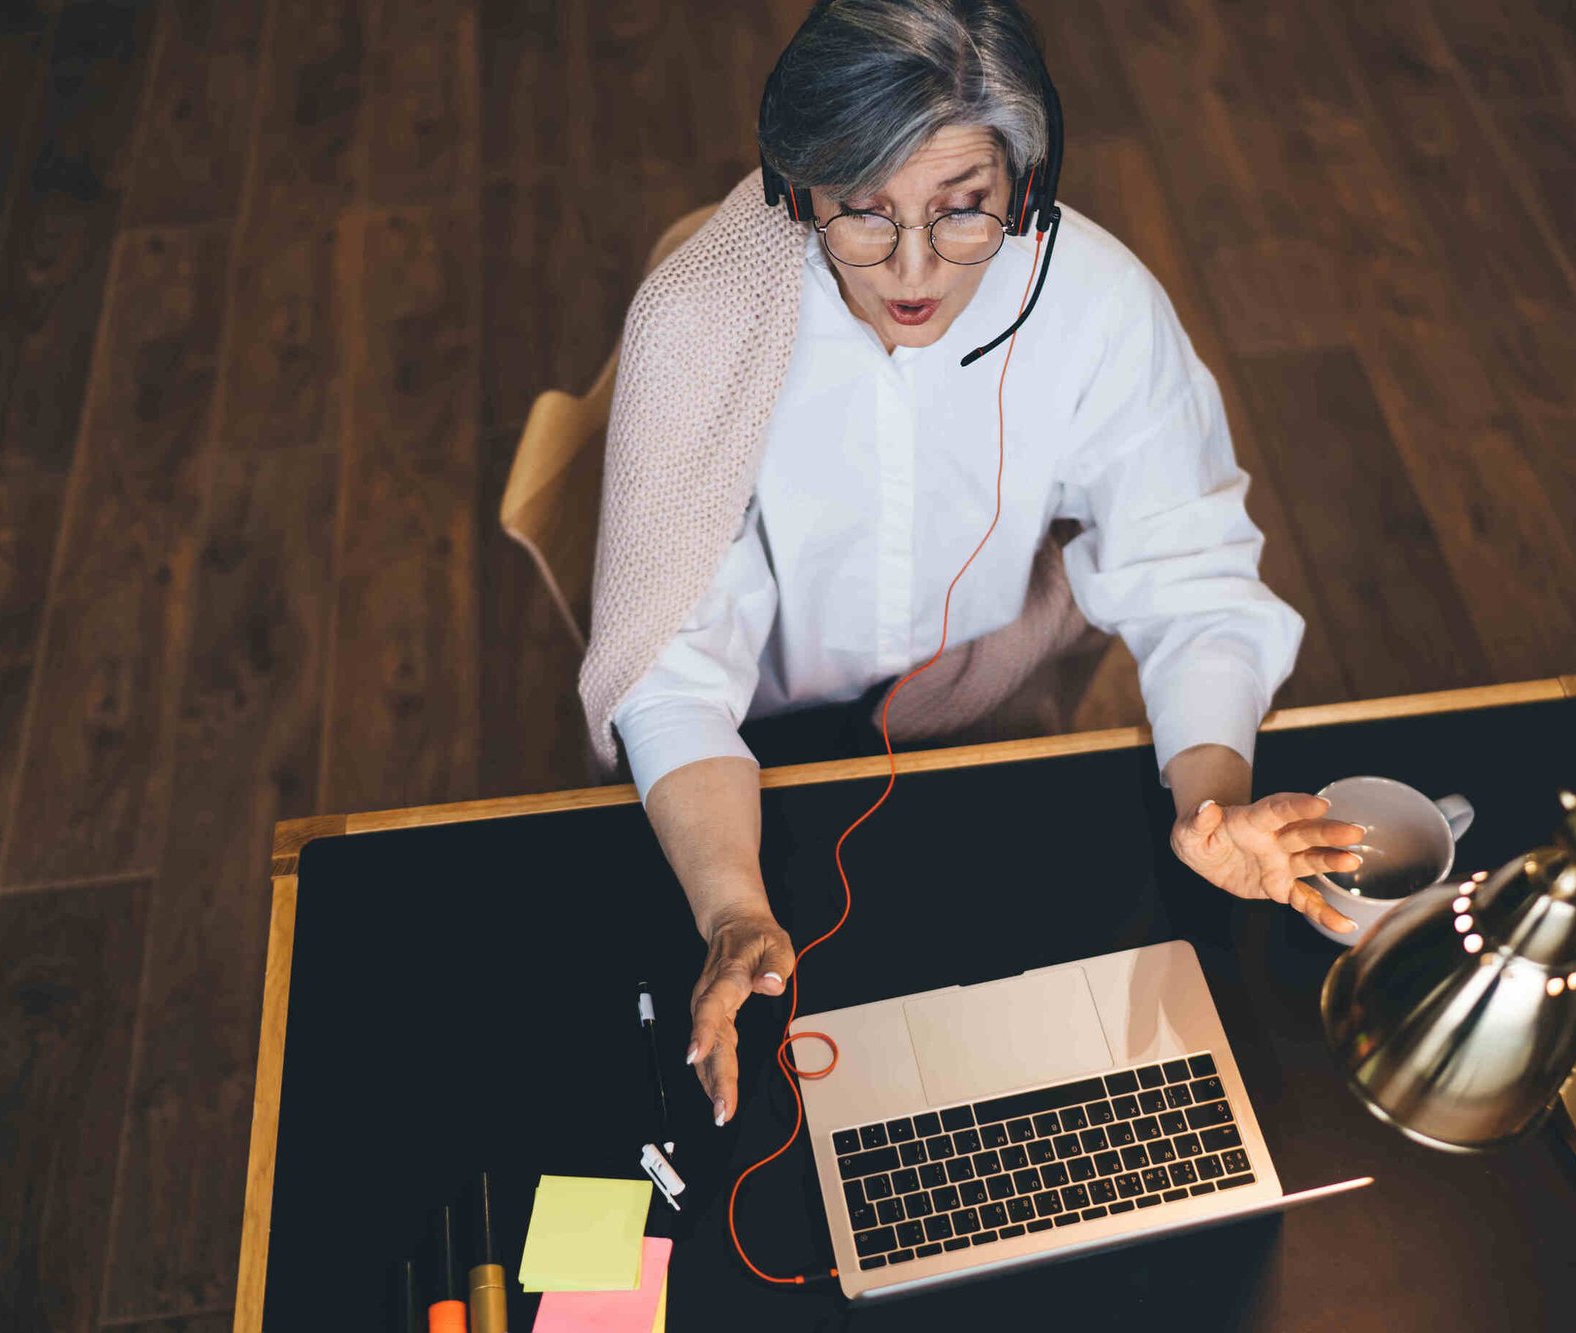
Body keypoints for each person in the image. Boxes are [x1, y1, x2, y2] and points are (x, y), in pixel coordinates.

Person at [578, 0, 1364, 1127]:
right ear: (799, 190)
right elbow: (669, 662)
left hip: (988, 739)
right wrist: (729, 908)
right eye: (863, 214)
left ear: (1026, 190)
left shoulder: (1093, 302)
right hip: (743, 766)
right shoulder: (703, 316)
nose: (912, 271)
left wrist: (1213, 801)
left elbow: (1187, 566)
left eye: (963, 214)